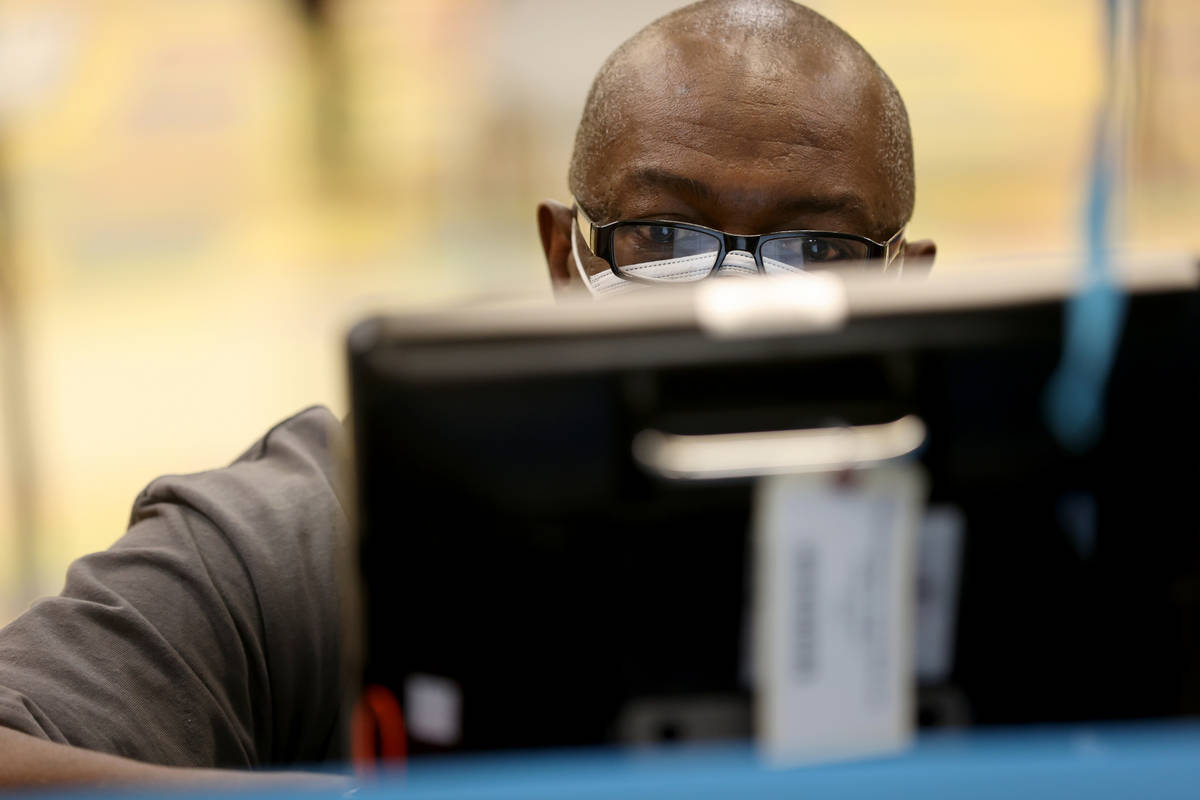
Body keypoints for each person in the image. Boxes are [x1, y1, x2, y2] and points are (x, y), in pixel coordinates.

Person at [0, 0, 934, 787]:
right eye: (662, 236)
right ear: (562, 260)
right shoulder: (330, 530)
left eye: (817, 247)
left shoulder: (1055, 534)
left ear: (912, 279)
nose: (730, 296)